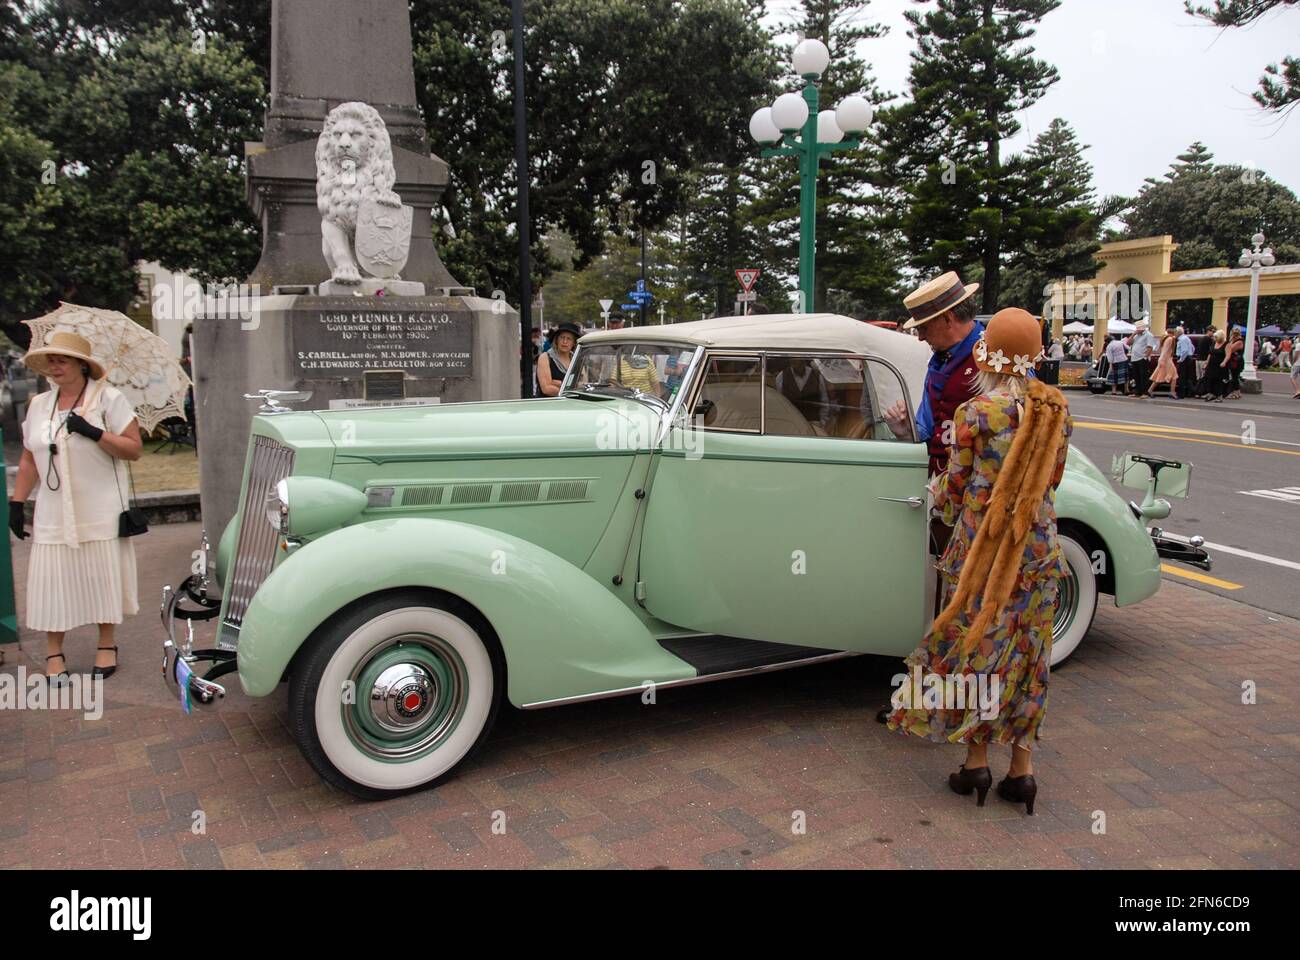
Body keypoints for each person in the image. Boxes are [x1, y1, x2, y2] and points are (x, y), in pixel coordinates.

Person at [886, 308, 1072, 815]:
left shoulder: (977, 414)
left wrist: (938, 498)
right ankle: (1023, 771)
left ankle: (976, 763)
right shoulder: (1056, 409)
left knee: (979, 649)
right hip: (1036, 549)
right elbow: (1051, 480)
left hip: (983, 552)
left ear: (988, 357)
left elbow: (956, 488)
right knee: (1030, 653)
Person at [875, 272, 983, 725]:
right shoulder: (940, 361)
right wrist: (906, 433)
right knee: (941, 601)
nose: (918, 334)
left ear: (949, 319)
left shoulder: (989, 356)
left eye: (925, 325)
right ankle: (935, 697)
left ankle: (958, 703)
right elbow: (925, 429)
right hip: (945, 495)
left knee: (969, 605)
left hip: (979, 502)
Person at [9, 332, 143, 683]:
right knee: (54, 582)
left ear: (81, 365)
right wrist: (17, 502)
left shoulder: (108, 399)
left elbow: (133, 449)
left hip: (101, 508)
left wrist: (93, 432)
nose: (55, 367)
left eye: (62, 360)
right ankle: (54, 652)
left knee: (101, 577)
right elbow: (28, 458)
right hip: (53, 512)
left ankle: (106, 644)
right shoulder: (39, 404)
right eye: (50, 361)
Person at [537, 322, 579, 397]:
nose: (565, 341)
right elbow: (546, 389)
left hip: (572, 405)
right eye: (562, 337)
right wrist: (572, 389)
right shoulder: (545, 357)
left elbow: (583, 385)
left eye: (569, 339)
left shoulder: (577, 359)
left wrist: (561, 383)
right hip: (549, 405)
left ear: (574, 343)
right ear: (556, 340)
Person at [1147, 327, 1178, 397]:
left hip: (1164, 359)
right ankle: (1172, 392)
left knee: (1161, 376)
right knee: (1173, 376)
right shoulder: (1170, 339)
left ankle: (1150, 390)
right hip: (1167, 360)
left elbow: (1162, 350)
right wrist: (1162, 360)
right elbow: (1165, 350)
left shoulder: (1164, 338)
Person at [1129, 322, 1158, 397]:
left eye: (1138, 329)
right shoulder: (1136, 336)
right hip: (1134, 358)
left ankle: (1144, 392)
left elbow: (1150, 347)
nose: (1137, 330)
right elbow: (1128, 342)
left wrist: (1145, 357)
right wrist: (1133, 334)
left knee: (1143, 376)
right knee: (1136, 376)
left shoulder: (1148, 335)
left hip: (1142, 358)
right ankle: (1137, 392)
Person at [1201, 329, 1229, 402]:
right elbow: (1210, 353)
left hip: (1219, 365)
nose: (1215, 339)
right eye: (1215, 337)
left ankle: (1219, 396)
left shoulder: (1226, 344)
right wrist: (1206, 362)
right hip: (1211, 364)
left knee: (1218, 380)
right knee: (1209, 378)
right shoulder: (1214, 343)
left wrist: (1224, 362)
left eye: (1217, 337)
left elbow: (1228, 355)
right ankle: (1211, 393)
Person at [1174, 327, 1197, 398]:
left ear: (1178, 332)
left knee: (1182, 377)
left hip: (1184, 358)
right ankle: (1191, 392)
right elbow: (1193, 348)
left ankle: (1181, 394)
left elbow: (1184, 351)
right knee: (1187, 377)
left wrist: (1181, 359)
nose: (1174, 333)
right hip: (1188, 358)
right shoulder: (1186, 338)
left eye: (1175, 332)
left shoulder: (1182, 339)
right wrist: (1190, 355)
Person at [1225, 329, 1245, 399]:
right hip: (1235, 361)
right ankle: (1238, 392)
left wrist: (1230, 341)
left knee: (1235, 377)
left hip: (1236, 362)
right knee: (1235, 377)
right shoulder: (1238, 341)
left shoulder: (1239, 342)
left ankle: (1235, 393)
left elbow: (1230, 349)